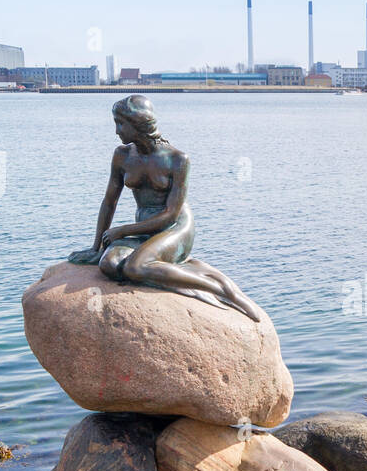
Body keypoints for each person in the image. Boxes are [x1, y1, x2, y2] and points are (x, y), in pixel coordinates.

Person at [69, 95, 259, 321]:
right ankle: (175, 269)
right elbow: (109, 201)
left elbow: (170, 215)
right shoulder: (122, 155)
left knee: (135, 268)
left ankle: (220, 289)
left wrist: (122, 231)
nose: (117, 131)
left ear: (137, 122)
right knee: (108, 264)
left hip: (175, 228)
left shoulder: (177, 159)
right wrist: (95, 246)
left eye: (121, 124)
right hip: (145, 230)